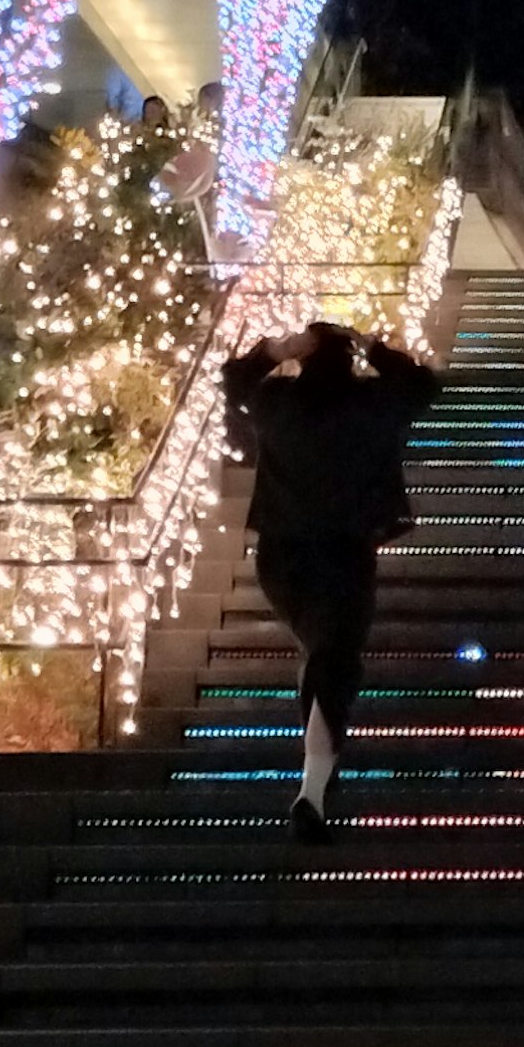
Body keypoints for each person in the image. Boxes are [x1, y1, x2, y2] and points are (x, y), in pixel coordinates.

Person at [223, 315, 440, 837]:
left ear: (305, 360)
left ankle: (317, 778)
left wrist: (275, 352)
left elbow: (232, 382)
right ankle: (312, 789)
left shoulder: (276, 405)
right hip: (345, 555)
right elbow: (425, 387)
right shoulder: (374, 406)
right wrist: (375, 349)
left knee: (324, 655)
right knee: (334, 658)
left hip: (283, 558)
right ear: (348, 361)